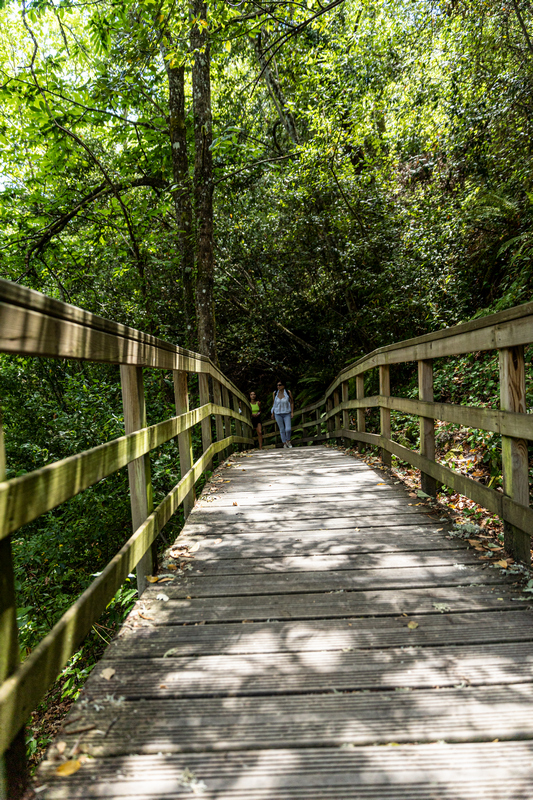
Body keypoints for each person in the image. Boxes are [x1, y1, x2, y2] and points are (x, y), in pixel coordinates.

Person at [271, 380, 294, 448]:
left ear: (283, 385)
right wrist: (272, 413)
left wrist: (292, 412)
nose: (278, 386)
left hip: (286, 413)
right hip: (277, 413)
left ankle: (288, 440)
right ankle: (284, 443)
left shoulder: (287, 392)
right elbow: (274, 404)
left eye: (280, 385)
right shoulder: (275, 393)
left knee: (288, 429)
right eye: (277, 385)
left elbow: (291, 402)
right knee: (282, 429)